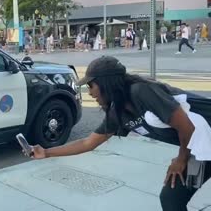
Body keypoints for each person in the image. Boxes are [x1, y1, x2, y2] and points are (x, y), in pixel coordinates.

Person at [29, 56, 211, 211]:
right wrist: (46, 152)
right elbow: (88, 143)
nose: (90, 92)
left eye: (91, 85)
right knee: (173, 198)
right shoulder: (117, 112)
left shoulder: (141, 91)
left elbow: (187, 127)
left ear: (106, 83)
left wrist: (181, 160)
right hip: (202, 151)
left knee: (173, 198)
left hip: (202, 142)